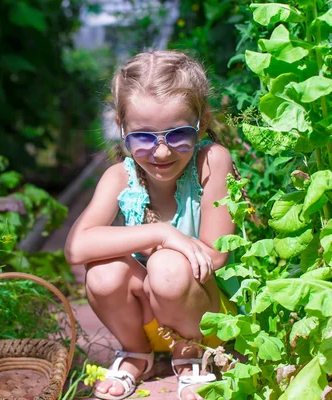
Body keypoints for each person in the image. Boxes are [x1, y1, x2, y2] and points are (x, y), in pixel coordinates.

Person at [64, 50, 239, 400]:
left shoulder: (211, 162)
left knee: (166, 265)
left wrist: (160, 248)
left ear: (202, 124)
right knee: (102, 273)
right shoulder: (119, 177)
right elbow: (76, 248)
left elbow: (217, 257)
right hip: (150, 322)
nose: (161, 153)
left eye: (178, 135)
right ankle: (136, 353)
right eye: (144, 137)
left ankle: (192, 357)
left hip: (209, 321)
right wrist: (162, 232)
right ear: (122, 128)